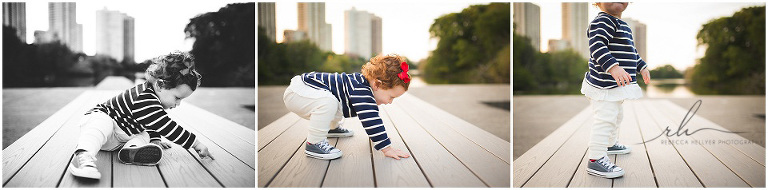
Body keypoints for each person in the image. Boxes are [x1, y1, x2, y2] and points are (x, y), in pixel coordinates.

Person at [68, 51, 214, 180]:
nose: (178, 104)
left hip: (119, 139)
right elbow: (165, 125)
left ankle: (131, 151)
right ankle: (84, 156)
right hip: (105, 123)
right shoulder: (144, 97)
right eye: (177, 98)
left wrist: (155, 139)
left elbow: (151, 121)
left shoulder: (154, 101)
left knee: (144, 134)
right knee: (102, 122)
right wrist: (195, 143)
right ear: (160, 85)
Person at [283, 54, 412, 160]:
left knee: (336, 101)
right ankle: (314, 143)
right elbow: (371, 119)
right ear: (377, 84)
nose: (390, 102)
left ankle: (331, 128)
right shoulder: (362, 90)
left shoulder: (361, 85)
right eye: (391, 97)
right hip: (299, 92)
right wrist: (386, 147)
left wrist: (380, 138)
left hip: (304, 90)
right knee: (329, 102)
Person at [581, 2, 651, 179]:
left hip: (614, 87)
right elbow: (597, 46)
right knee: (605, 120)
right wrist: (613, 67)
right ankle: (595, 159)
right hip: (603, 84)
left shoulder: (624, 25)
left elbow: (631, 51)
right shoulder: (602, 21)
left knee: (617, 116)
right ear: (597, 2)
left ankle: (610, 144)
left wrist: (642, 66)